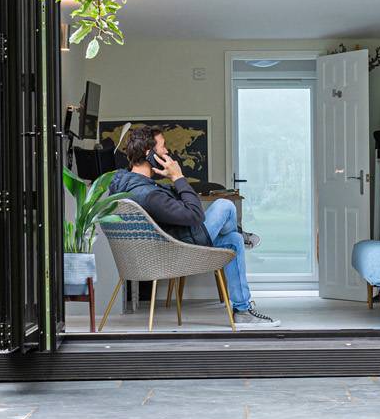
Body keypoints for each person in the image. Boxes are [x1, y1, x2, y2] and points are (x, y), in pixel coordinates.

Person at [109, 125, 281, 329]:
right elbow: (195, 215)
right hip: (180, 247)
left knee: (233, 241)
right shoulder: (149, 194)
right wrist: (178, 177)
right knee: (225, 205)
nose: (167, 153)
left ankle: (242, 310)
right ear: (150, 153)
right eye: (163, 147)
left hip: (169, 242)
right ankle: (240, 232)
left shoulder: (126, 184)